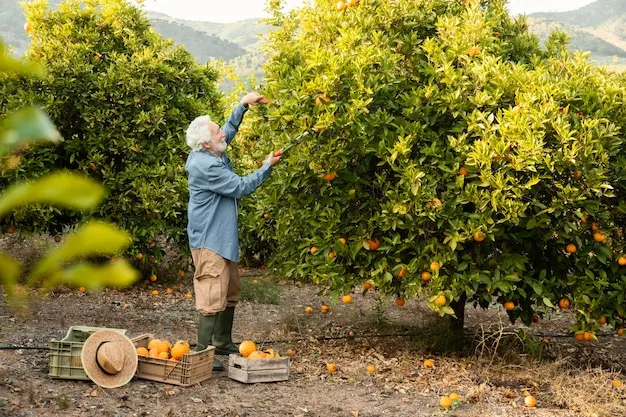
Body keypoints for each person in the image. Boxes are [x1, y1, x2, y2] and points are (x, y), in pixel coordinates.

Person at [185, 92, 280, 370]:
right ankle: (204, 351)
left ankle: (223, 342)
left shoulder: (208, 149)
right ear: (206, 142)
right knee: (212, 292)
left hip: (222, 236)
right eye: (217, 133)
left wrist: (242, 105)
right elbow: (240, 187)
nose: (222, 135)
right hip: (209, 239)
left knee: (229, 291)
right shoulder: (207, 166)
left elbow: (226, 132)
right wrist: (266, 167)